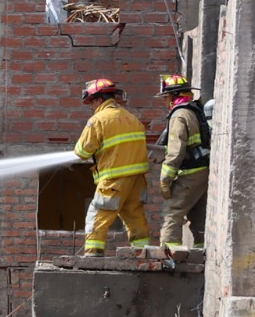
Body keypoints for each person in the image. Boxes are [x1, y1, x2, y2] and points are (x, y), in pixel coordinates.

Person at [74, 78, 151, 255]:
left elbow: (82, 152)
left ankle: (92, 254)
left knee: (98, 215)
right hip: (136, 180)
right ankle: (143, 254)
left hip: (113, 181)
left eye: (91, 102)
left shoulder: (98, 120)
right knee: (135, 217)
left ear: (99, 99)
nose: (91, 106)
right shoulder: (132, 118)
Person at [156, 73, 210, 248]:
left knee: (172, 212)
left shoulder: (179, 115)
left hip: (189, 173)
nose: (164, 102)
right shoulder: (194, 110)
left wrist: (166, 179)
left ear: (174, 96)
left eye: (165, 98)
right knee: (198, 214)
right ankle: (202, 250)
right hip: (202, 172)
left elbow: (175, 150)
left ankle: (169, 255)